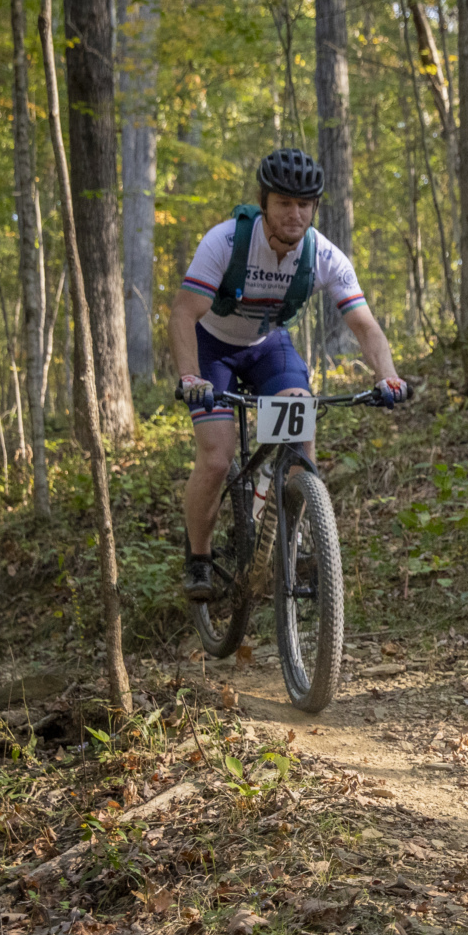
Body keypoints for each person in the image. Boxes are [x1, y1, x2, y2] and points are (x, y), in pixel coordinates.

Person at [173, 148, 409, 601]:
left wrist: (388, 376)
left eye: (304, 204)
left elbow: (364, 324)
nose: (294, 213)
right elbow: (183, 315)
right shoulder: (224, 243)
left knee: (300, 435)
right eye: (284, 202)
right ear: (264, 202)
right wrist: (190, 377)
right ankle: (199, 558)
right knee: (218, 459)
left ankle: (298, 533)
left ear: (315, 207)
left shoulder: (324, 256)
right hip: (212, 348)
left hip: (267, 347)